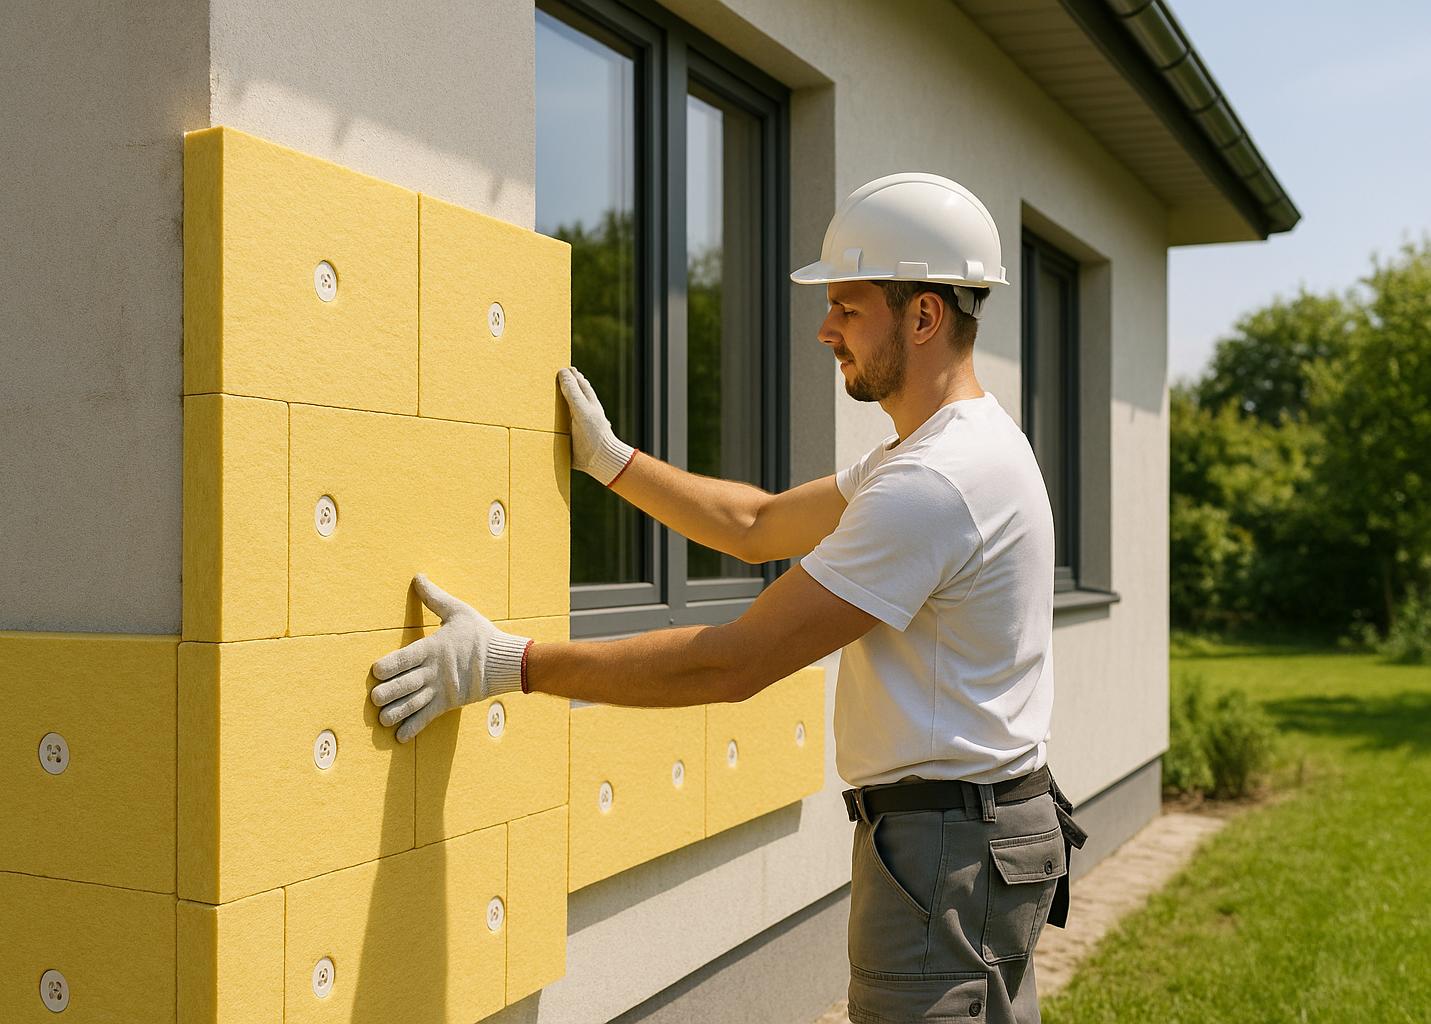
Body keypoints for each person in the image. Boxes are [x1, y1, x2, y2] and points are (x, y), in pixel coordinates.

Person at [369, 173, 1084, 1024]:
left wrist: (505, 664)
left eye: (848, 307)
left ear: (924, 316)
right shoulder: (951, 449)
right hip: (987, 835)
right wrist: (612, 462)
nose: (825, 329)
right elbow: (757, 523)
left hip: (947, 854)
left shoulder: (935, 483)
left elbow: (736, 662)